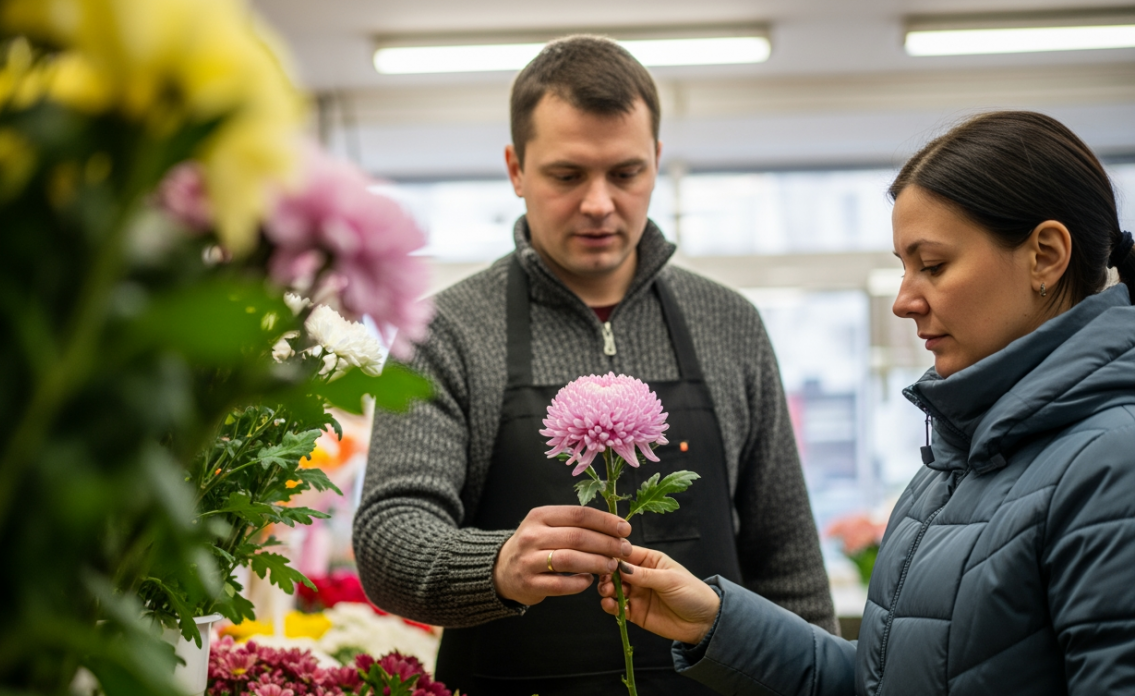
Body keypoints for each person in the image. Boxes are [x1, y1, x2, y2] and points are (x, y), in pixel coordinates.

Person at [352, 35, 836, 695]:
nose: (600, 203)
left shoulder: (729, 324)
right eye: (567, 174)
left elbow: (790, 567)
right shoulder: (444, 331)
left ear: (657, 162)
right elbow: (388, 538)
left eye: (626, 172)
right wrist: (496, 564)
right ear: (516, 168)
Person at [598, 110, 1135, 695]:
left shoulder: (1113, 465)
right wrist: (716, 622)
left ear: (1046, 255)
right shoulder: (954, 468)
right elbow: (883, 683)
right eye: (904, 268)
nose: (904, 300)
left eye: (933, 265)